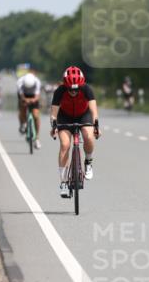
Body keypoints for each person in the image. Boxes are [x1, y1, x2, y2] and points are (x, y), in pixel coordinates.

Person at [50, 66, 100, 198]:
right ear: (65, 86)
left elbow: (94, 110)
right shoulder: (59, 91)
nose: (73, 92)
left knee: (89, 137)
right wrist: (54, 126)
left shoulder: (87, 89)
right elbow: (54, 113)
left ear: (81, 85)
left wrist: (96, 126)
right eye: (70, 89)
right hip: (64, 116)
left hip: (84, 115)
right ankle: (64, 183)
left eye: (76, 89)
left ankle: (88, 162)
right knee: (65, 145)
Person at [16, 69, 42, 148]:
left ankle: (37, 138)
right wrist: (25, 100)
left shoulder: (37, 82)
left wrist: (33, 100)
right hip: (24, 95)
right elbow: (21, 95)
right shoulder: (20, 82)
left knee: (36, 115)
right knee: (22, 107)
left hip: (34, 95)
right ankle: (23, 123)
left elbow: (37, 96)